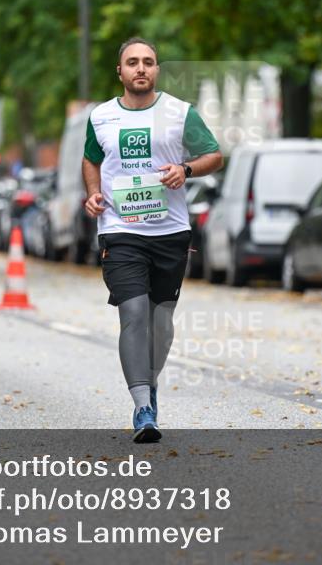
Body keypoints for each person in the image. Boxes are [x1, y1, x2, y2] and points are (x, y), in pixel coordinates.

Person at [83, 38, 223, 443]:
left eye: (148, 62)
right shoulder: (102, 117)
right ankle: (143, 406)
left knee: (161, 324)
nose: (140, 68)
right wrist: (93, 193)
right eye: (132, 62)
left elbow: (214, 154)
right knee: (134, 315)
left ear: (156, 70)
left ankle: (151, 382)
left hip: (170, 232)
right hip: (120, 231)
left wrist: (186, 168)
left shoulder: (180, 113)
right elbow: (91, 159)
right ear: (120, 72)